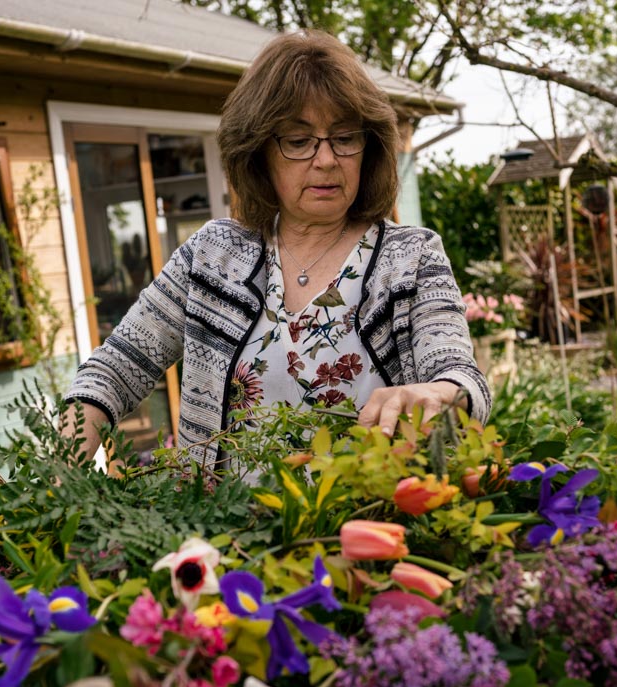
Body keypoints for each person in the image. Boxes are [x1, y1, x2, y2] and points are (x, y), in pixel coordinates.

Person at [63, 30, 491, 468]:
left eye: (344, 137)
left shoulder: (412, 258)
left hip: (369, 526)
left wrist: (437, 393)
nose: (326, 159)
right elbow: (116, 369)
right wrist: (57, 468)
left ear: (370, 148)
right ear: (260, 153)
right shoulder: (211, 257)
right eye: (298, 140)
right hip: (216, 531)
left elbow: (461, 377)